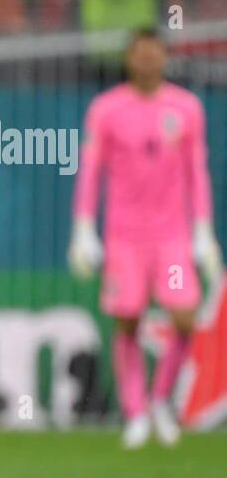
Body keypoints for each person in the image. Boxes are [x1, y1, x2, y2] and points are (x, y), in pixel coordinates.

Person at [68, 28, 221, 447]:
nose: (148, 61)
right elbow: (91, 170)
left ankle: (160, 401)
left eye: (156, 53)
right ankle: (135, 413)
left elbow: (197, 171)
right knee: (128, 320)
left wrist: (203, 230)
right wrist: (83, 228)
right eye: (141, 54)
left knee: (184, 316)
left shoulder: (186, 108)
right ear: (129, 59)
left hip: (171, 236)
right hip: (124, 238)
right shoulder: (107, 108)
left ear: (165, 57)